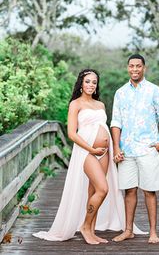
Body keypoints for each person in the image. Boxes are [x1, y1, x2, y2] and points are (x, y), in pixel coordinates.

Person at [33, 69, 143, 244]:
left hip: (104, 152)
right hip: (87, 151)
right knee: (103, 189)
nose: (91, 85)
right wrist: (91, 149)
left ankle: (91, 230)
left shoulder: (100, 105)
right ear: (81, 84)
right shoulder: (75, 104)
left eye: (94, 82)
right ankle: (85, 226)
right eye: (88, 81)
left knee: (93, 191)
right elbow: (72, 134)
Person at [111, 54, 159, 244]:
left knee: (149, 191)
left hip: (147, 148)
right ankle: (128, 230)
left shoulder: (155, 91)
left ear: (144, 68)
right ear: (127, 68)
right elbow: (115, 122)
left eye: (138, 66)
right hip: (126, 150)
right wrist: (116, 148)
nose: (134, 69)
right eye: (131, 66)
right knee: (129, 191)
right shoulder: (120, 93)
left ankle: (153, 232)